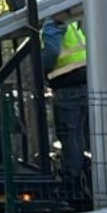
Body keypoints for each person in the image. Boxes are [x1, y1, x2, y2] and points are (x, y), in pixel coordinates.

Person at [42, 12, 89, 198]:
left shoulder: (51, 24)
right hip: (84, 84)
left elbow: (51, 52)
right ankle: (83, 177)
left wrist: (40, 69)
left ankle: (72, 182)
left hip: (66, 86)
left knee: (69, 136)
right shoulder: (72, 24)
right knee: (79, 134)